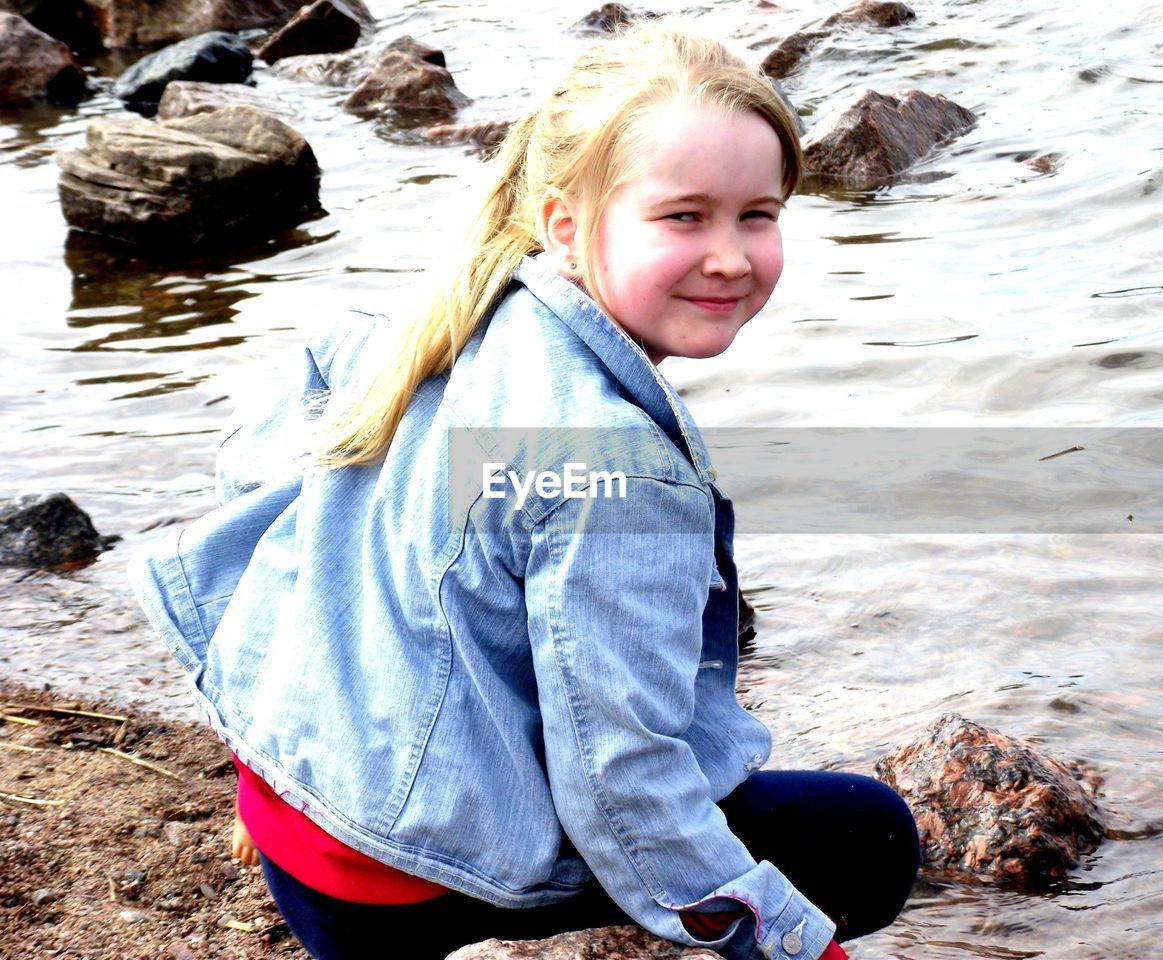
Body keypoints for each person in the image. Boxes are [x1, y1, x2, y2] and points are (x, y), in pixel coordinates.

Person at [131, 19, 919, 960]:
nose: (731, 256)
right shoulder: (615, 466)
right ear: (565, 225)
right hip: (395, 885)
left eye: (758, 213)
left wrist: (314, 713)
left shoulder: (423, 321)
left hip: (298, 823)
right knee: (869, 840)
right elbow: (621, 782)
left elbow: (258, 485)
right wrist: (790, 943)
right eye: (683, 216)